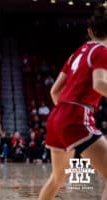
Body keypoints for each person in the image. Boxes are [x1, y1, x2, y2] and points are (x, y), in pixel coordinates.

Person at [39, 6, 107, 200]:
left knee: (57, 178)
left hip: (57, 115)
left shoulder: (78, 52)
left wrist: (65, 116)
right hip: (76, 116)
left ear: (90, 31)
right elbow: (100, 83)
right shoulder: (103, 52)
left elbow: (55, 91)